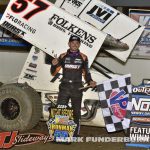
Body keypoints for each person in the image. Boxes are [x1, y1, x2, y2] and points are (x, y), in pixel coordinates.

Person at [51, 35, 96, 137]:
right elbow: (53, 72)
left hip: (77, 88)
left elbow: (87, 73)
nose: (74, 44)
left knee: (76, 112)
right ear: (69, 43)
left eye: (77, 43)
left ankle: (74, 135)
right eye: (72, 42)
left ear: (79, 44)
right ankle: (60, 134)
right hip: (64, 87)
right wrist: (53, 65)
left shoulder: (84, 57)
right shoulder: (62, 56)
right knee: (61, 111)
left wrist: (91, 81)